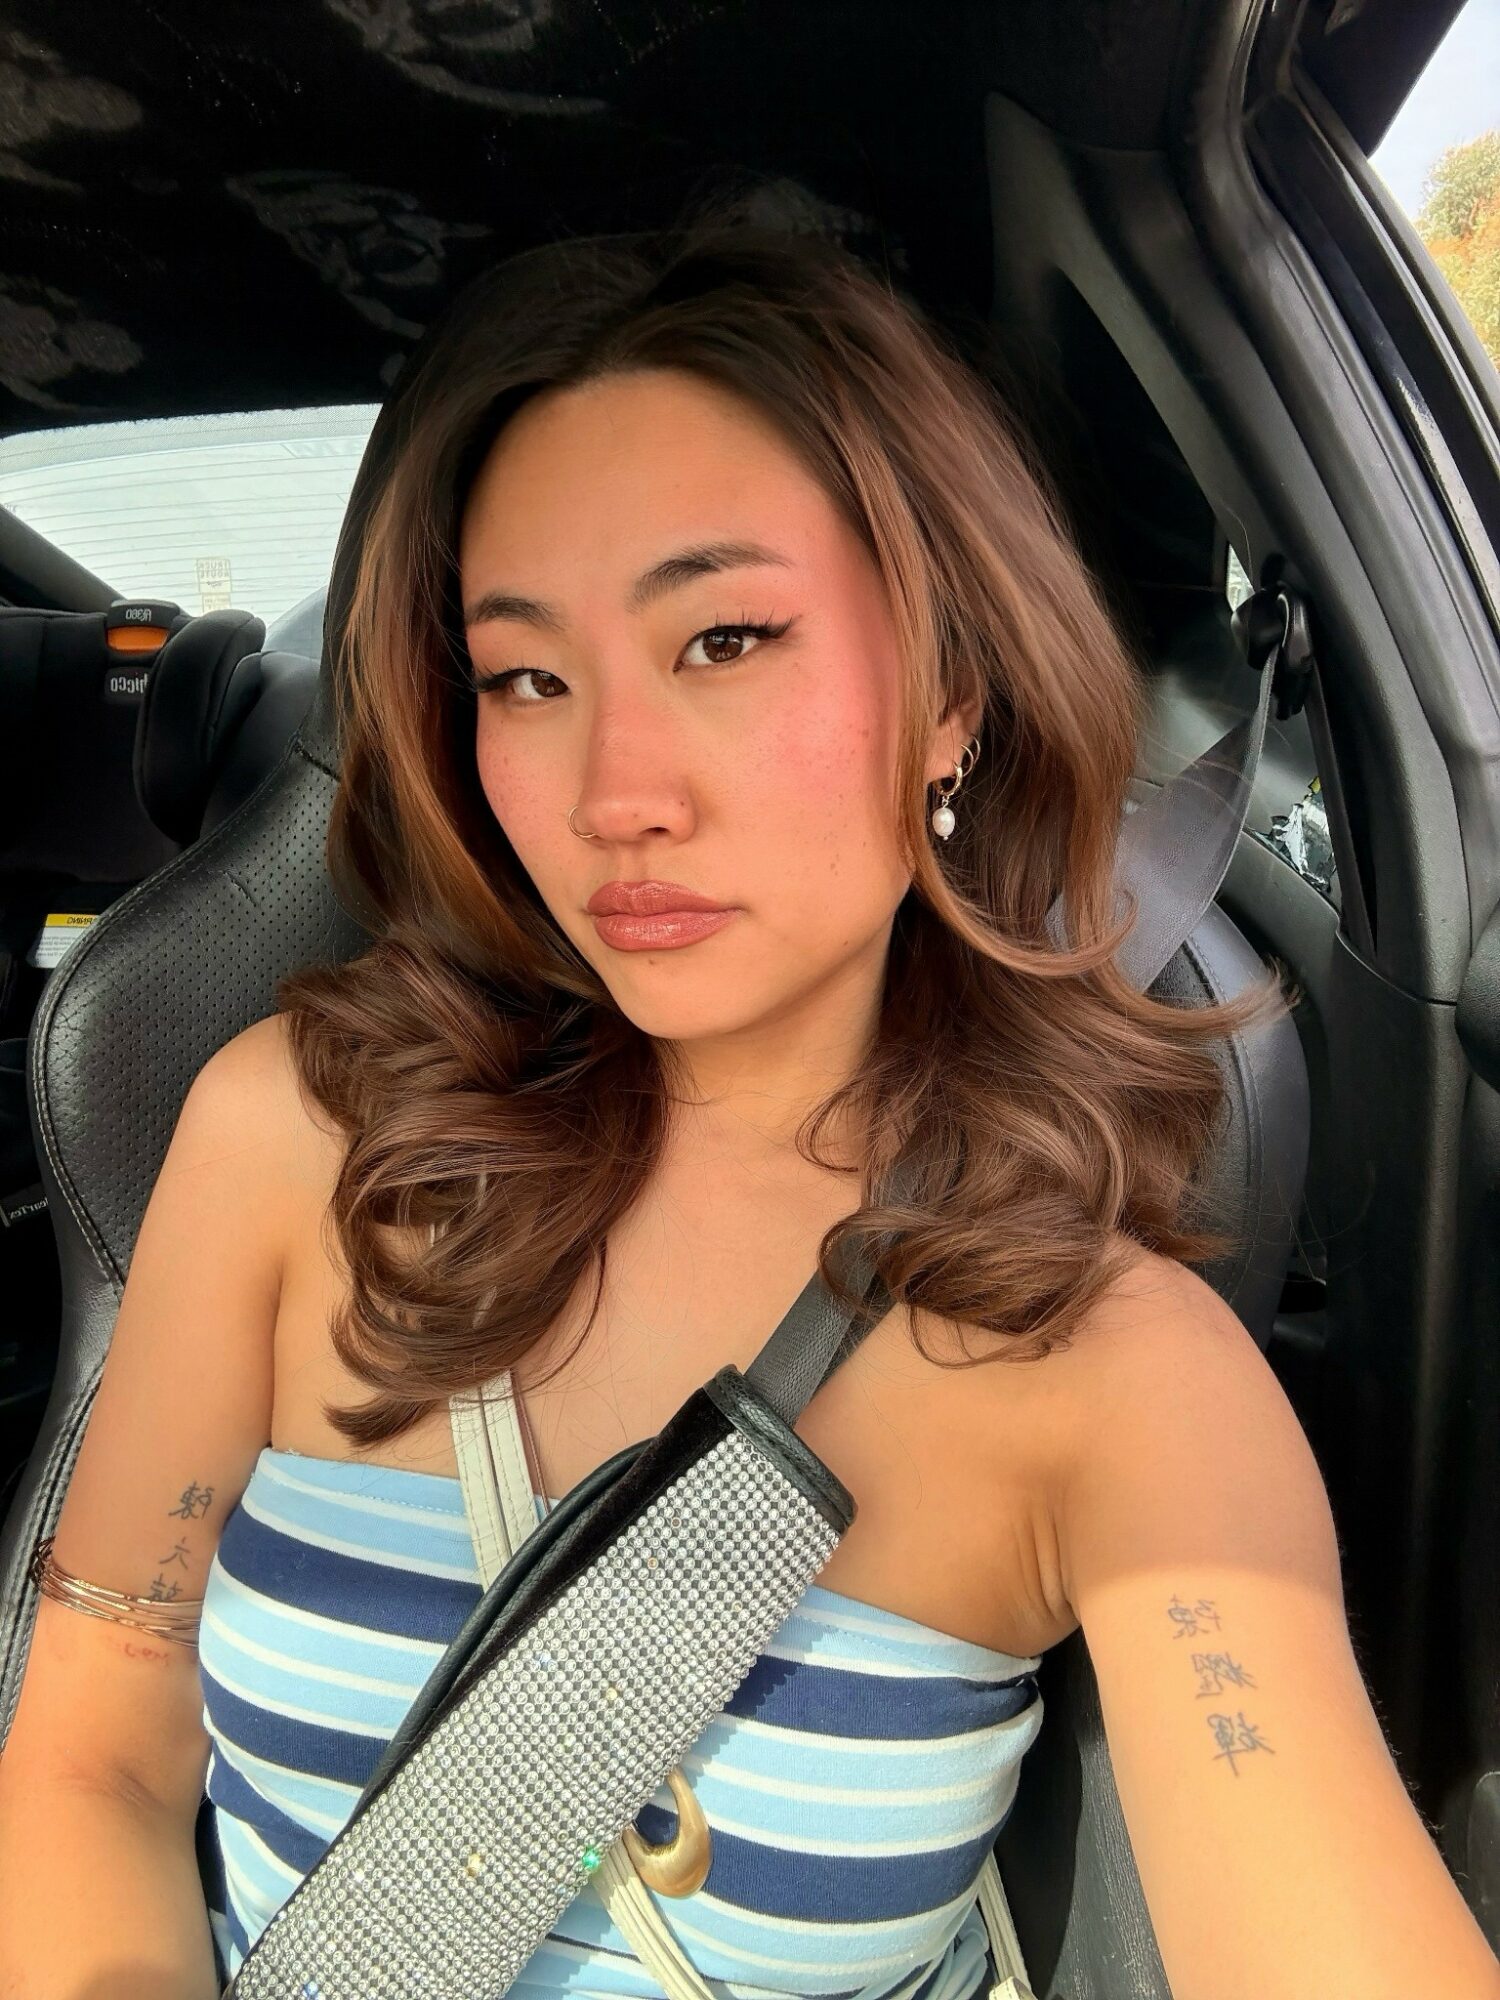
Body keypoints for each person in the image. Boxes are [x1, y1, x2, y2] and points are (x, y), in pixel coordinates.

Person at [3, 194, 1497, 2000]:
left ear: (955, 690)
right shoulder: (296, 1140)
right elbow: (101, 1712)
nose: (617, 789)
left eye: (725, 640)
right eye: (527, 676)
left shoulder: (1118, 1375)